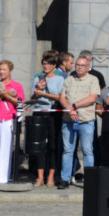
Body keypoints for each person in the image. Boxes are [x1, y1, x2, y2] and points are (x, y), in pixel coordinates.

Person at [57, 54, 100, 188]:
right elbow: (62, 97)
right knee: (68, 150)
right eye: (77, 65)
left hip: (86, 121)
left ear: (88, 67)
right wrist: (69, 107)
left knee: (87, 150)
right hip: (68, 120)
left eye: (82, 65)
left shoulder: (93, 80)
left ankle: (90, 180)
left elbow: (92, 98)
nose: (79, 67)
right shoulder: (69, 80)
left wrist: (74, 105)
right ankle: (65, 178)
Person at [30, 53, 64, 187]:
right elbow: (32, 97)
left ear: (54, 66)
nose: (46, 66)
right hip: (39, 112)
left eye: (48, 64)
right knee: (39, 146)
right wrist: (37, 89)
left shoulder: (59, 79)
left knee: (52, 146)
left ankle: (51, 176)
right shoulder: (38, 78)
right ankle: (40, 177)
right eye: (44, 63)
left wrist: (44, 93)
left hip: (53, 113)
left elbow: (60, 97)